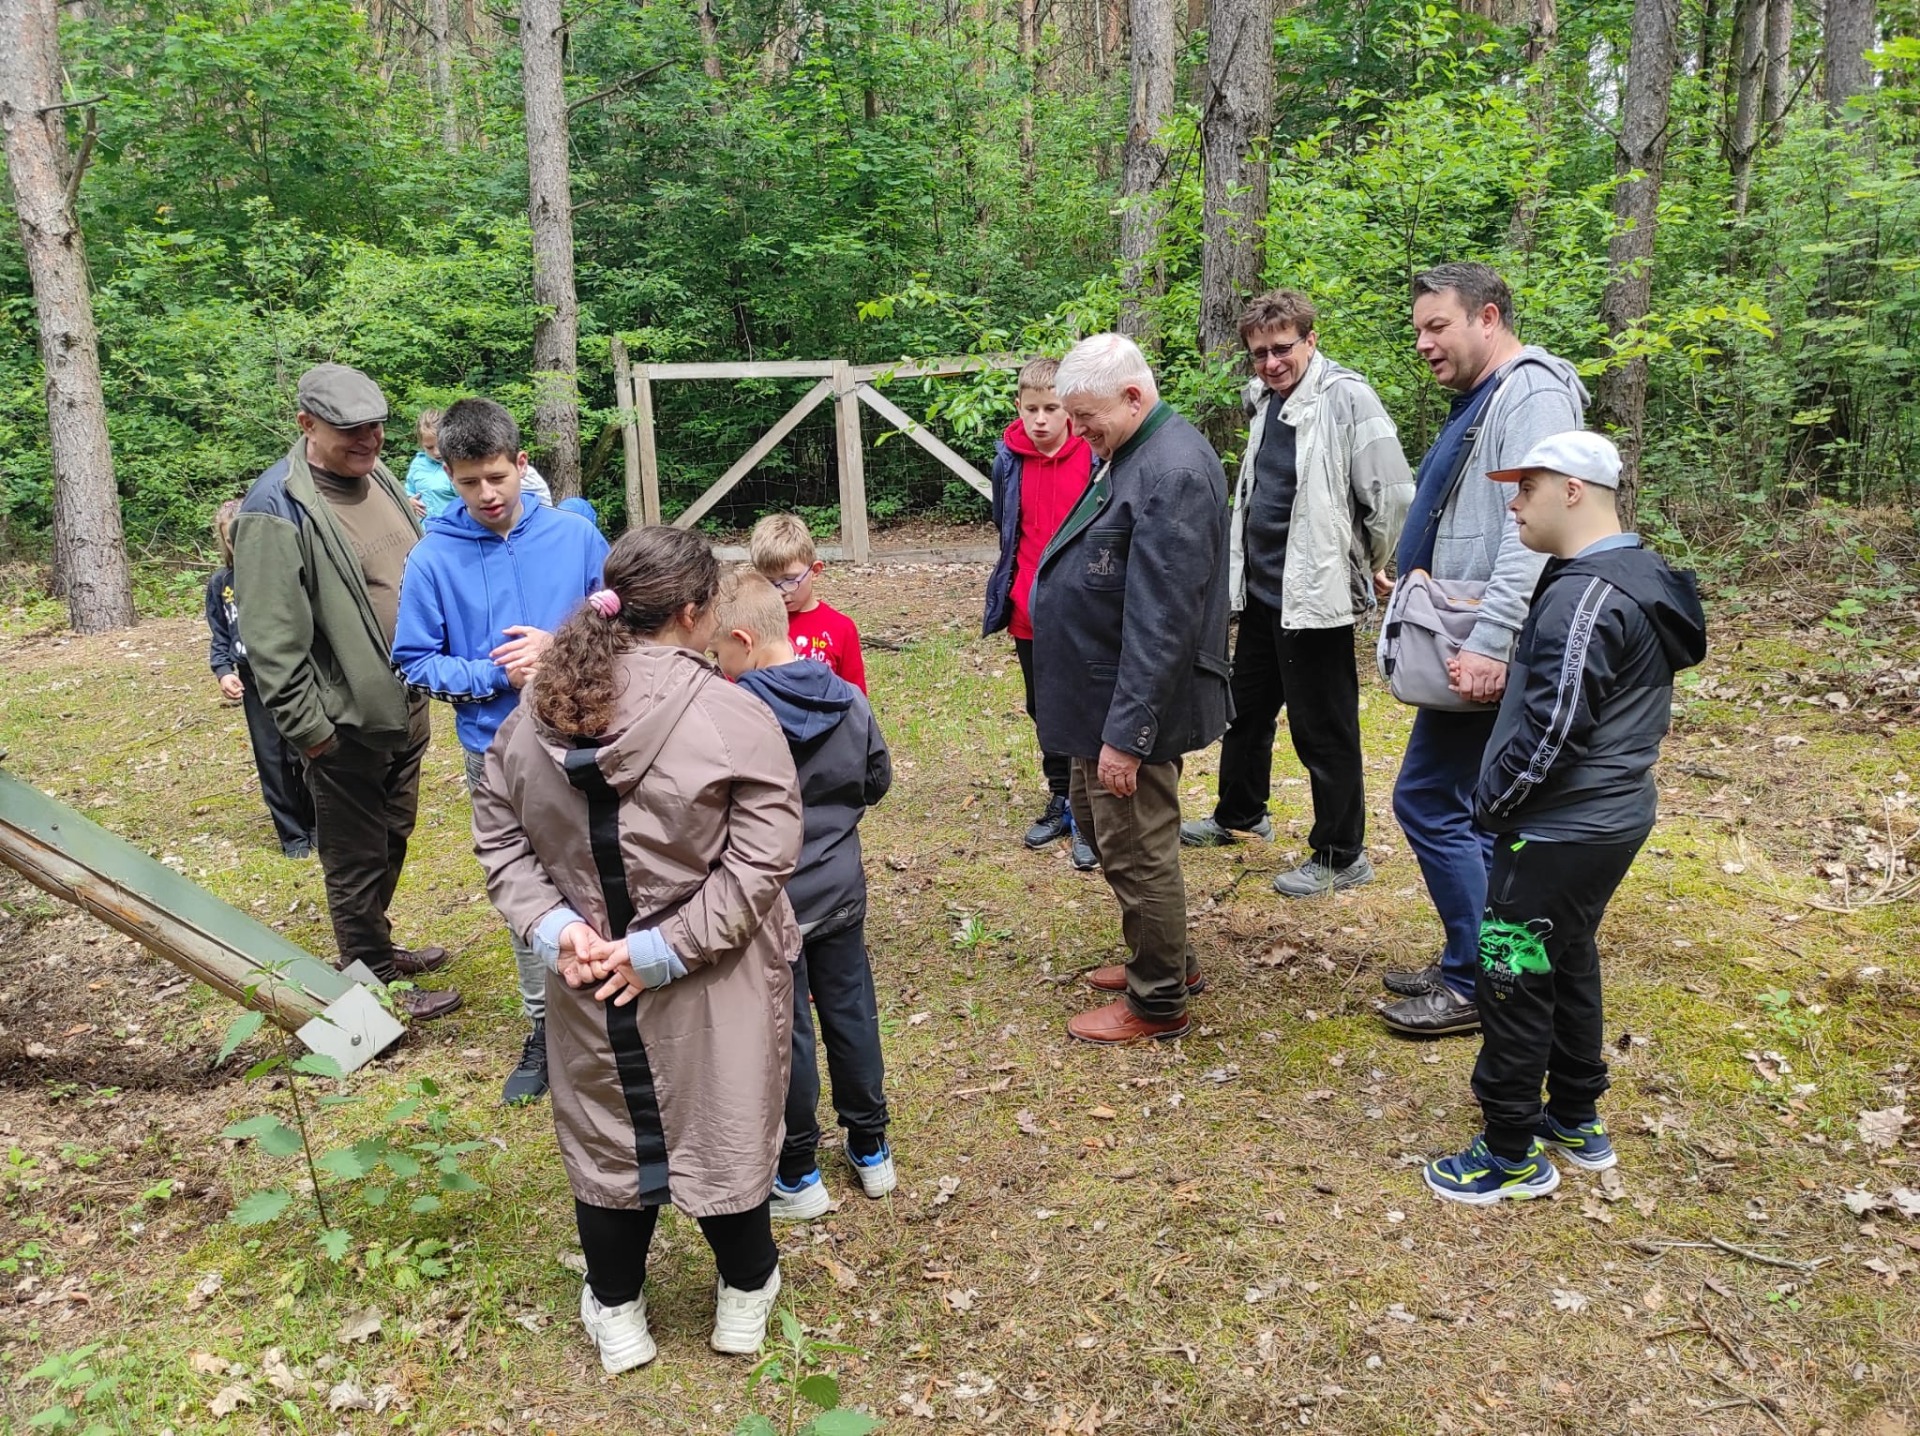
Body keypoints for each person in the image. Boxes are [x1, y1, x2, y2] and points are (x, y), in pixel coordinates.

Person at [470, 526, 802, 1370]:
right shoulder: (732, 714)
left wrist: (557, 930)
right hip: (713, 967)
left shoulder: (536, 708)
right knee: (725, 1115)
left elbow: (500, 837)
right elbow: (763, 855)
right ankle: (744, 1292)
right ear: (694, 613)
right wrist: (665, 947)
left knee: (605, 1127)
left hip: (587, 973)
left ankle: (618, 1310)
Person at [1423, 432, 1706, 1202]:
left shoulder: (1587, 596)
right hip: (1606, 819)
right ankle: (1576, 1116)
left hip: (1559, 825)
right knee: (1568, 952)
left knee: (1511, 972)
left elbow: (1555, 728)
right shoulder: (1635, 575)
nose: (1514, 504)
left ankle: (1509, 1151)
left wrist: (1494, 805)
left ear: (1573, 491)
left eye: (1527, 489)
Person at [1376, 262, 1588, 1039]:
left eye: (1438, 326)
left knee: (1430, 801)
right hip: (1473, 628)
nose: (1425, 344)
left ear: (1488, 317)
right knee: (1477, 811)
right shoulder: (1488, 399)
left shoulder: (1530, 392)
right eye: (1418, 331)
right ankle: (1482, 958)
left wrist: (1495, 641)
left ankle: (1476, 980)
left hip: (1499, 642)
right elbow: (1475, 513)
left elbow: (1529, 531)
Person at [391, 397, 610, 1103]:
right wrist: (491, 674)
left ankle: (615, 993)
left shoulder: (575, 540)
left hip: (585, 738)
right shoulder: (433, 557)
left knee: (603, 868)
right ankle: (545, 1027)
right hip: (496, 752)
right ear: (446, 476)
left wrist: (559, 648)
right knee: (526, 887)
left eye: (497, 477)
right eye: (467, 483)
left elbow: (624, 623)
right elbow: (414, 660)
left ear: (521, 465)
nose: (486, 495)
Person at [232, 363, 460, 1020]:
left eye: (376, 427)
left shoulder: (375, 476)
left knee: (391, 837)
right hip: (346, 722)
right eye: (350, 431)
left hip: (404, 703)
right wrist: (313, 732)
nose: (368, 441)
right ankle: (371, 982)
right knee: (355, 858)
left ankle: (375, 947)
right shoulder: (276, 508)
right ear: (306, 425)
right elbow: (271, 641)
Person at [1032, 334, 1232, 1043]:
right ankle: (1167, 958)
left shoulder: (1171, 469)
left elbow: (1164, 618)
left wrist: (1128, 734)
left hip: (1130, 702)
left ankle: (1158, 1001)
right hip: (1100, 694)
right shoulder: (1131, 453)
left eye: (1086, 417)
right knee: (1108, 835)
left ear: (1134, 397)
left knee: (1139, 848)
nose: (1076, 430)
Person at [1181, 290, 1413, 898]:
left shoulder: (1347, 398)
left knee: (1323, 728)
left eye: (1282, 348)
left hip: (1316, 596)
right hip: (1263, 592)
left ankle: (1342, 853)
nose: (1271, 362)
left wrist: (1372, 560)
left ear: (1311, 339)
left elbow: (1391, 493)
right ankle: (1240, 813)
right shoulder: (1264, 400)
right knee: (1247, 711)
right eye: (1259, 352)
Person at [710, 569, 897, 1220]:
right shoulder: (849, 698)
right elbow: (877, 779)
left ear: (742, 639)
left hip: (768, 902)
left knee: (783, 1028)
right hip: (841, 885)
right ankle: (871, 1149)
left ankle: (797, 1170)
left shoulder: (730, 717)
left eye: (718, 653)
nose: (718, 665)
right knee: (850, 1008)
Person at [983, 357, 1098, 870]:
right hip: (1029, 608)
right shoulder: (1008, 460)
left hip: (1083, 610)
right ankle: (1060, 795)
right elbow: (1006, 527)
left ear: (1070, 409)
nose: (1042, 420)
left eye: (1053, 408)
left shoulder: (1095, 457)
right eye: (1032, 409)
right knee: (1043, 707)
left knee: (1084, 706)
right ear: (1019, 407)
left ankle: (1090, 813)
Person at [205, 498, 317, 860]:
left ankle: (320, 826)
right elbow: (220, 634)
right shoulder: (222, 583)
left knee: (306, 748)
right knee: (272, 758)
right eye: (231, 538)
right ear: (225, 542)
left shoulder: (280, 575)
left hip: (292, 674)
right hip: (252, 679)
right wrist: (223, 671)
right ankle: (293, 836)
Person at [749, 513, 867, 693]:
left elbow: (855, 699)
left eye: (790, 579)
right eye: (769, 581)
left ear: (815, 570)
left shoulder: (841, 628)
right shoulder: (752, 625)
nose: (781, 591)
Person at [404, 409, 456, 518]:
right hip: (423, 529)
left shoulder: (459, 463)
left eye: (440, 445)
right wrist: (409, 501)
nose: (436, 452)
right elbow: (408, 490)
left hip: (452, 528)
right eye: (429, 447)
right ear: (421, 444)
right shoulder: (418, 464)